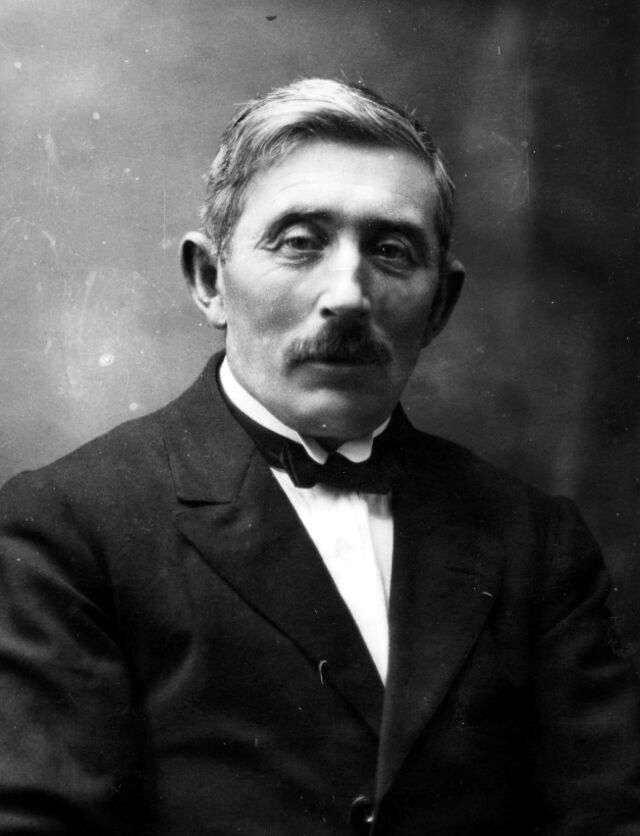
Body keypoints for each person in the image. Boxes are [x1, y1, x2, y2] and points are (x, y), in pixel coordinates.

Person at [0, 77, 639, 836]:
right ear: (209, 280)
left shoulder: (536, 542)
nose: (348, 295)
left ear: (440, 304)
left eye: (392, 251)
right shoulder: (66, 528)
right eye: (300, 243)